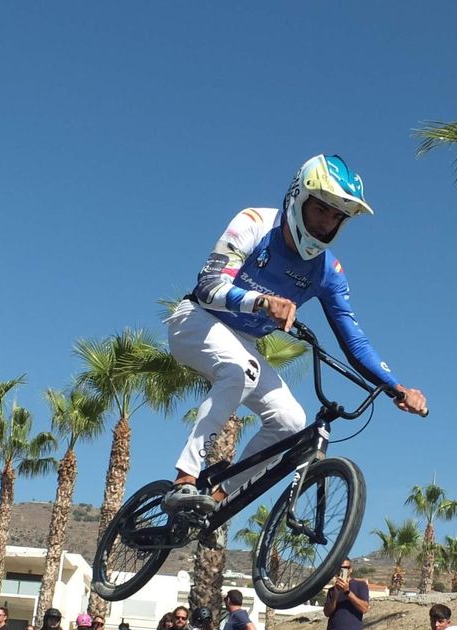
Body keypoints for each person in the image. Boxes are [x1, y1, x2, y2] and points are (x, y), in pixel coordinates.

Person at [160, 154, 428, 517]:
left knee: (291, 422)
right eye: (320, 209)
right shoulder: (255, 222)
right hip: (195, 320)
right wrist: (260, 302)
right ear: (298, 198)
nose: (326, 223)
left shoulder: (328, 272)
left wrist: (396, 388)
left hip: (244, 346)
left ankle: (217, 501)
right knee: (239, 371)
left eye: (337, 216)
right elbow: (208, 286)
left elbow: (354, 341)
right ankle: (185, 479)